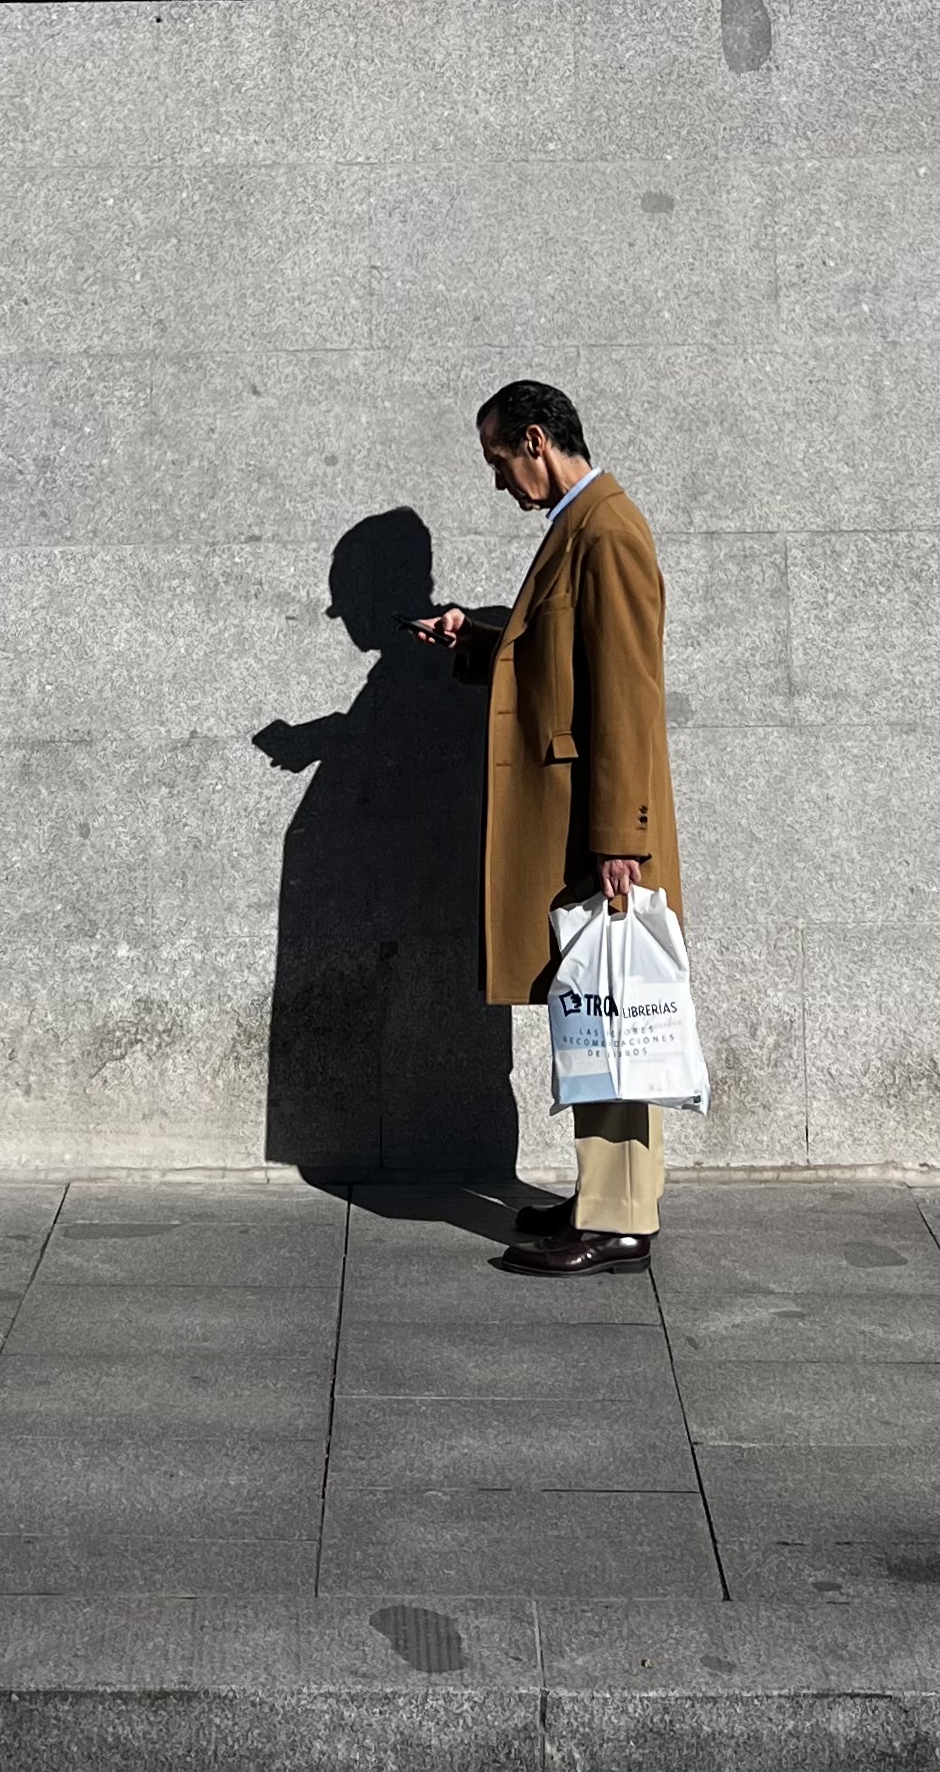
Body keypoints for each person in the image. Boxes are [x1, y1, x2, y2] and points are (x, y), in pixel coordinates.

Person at [411, 379, 682, 1275]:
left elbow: (628, 693)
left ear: (535, 439)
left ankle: (619, 1219)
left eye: (499, 461)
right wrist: (475, 635)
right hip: (584, 821)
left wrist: (621, 836)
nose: (498, 483)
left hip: (598, 827)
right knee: (597, 1007)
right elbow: (554, 654)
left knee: (617, 1010)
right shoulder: (578, 525)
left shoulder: (607, 529)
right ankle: (606, 1197)